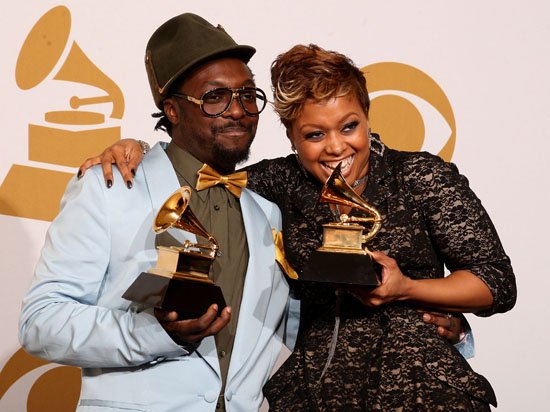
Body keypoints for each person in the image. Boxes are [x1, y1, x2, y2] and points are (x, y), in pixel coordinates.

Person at [80, 43, 515, 410]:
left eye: (349, 126)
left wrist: (408, 289)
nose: (336, 147)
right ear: (290, 134)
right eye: (314, 134)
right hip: (312, 395)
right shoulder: (274, 183)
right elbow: (199, 173)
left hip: (422, 391)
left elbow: (496, 282)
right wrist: (137, 147)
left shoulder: (420, 176)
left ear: (367, 115)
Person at [19, 13, 294, 412]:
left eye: (248, 94)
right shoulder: (108, 187)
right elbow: (41, 323)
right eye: (215, 97)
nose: (238, 110)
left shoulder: (267, 212)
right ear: (173, 110)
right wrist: (155, 333)